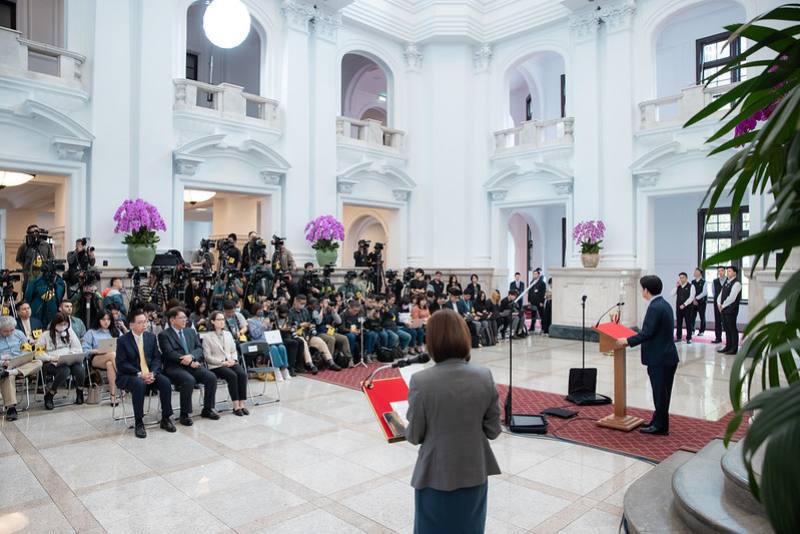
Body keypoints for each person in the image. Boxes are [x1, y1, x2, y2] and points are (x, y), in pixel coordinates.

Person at [405, 309, 501, 533]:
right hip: (474, 471)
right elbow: (493, 430)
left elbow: (415, 435)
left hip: (435, 474)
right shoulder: (484, 376)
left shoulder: (421, 381)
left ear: (432, 341)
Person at [615, 275, 679, 435]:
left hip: (660, 358)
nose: (641, 291)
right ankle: (659, 422)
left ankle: (660, 426)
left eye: (642, 288)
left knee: (660, 393)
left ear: (646, 290)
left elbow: (647, 333)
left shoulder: (654, 307)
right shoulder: (664, 304)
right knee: (663, 394)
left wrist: (627, 341)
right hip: (667, 356)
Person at [115, 308, 177, 439]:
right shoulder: (123, 341)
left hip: (149, 373)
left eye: (146, 322)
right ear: (131, 324)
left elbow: (156, 358)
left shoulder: (151, 337)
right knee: (139, 384)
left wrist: (152, 373)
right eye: (140, 322)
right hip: (130, 375)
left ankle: (166, 418)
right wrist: (139, 374)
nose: (144, 325)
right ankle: (139, 422)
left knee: (165, 382)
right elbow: (122, 364)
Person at [158, 307, 220, 425]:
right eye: (181, 318)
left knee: (211, 377)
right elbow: (169, 353)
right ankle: (185, 414)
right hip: (174, 367)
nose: (184, 320)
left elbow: (199, 349)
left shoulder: (190, 331)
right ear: (172, 320)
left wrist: (191, 357)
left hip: (192, 364)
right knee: (188, 380)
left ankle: (208, 409)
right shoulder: (164, 335)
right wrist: (188, 360)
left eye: (185, 318)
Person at [35, 312, 86, 410]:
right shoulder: (45, 335)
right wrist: (50, 358)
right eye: (60, 324)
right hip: (51, 362)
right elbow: (38, 353)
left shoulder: (70, 332)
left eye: (65, 324)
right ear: (54, 324)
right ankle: (50, 394)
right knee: (64, 371)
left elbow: (78, 348)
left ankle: (80, 391)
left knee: (80, 369)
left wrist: (71, 353)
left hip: (68, 359)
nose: (63, 327)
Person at [203, 311, 250, 416]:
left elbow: (233, 350)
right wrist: (222, 362)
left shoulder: (228, 334)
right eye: (219, 320)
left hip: (230, 361)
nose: (222, 322)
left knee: (242, 374)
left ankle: (242, 404)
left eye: (223, 319)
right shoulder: (207, 337)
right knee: (232, 376)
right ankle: (235, 406)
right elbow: (207, 357)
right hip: (217, 365)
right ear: (212, 321)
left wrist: (234, 360)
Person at [0, 316, 43, 421]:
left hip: (21, 363)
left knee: (38, 362)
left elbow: (27, 349)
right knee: (8, 377)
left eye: (12, 330)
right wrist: (3, 362)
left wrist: (25, 356)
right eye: (6, 331)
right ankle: (11, 408)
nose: (10, 333)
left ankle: (12, 372)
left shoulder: (19, 333)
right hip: (4, 366)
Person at [82, 311, 121, 406]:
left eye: (108, 319)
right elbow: (84, 350)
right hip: (96, 358)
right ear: (98, 320)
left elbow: (124, 345)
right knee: (112, 354)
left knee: (110, 364)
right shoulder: (91, 332)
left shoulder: (116, 331)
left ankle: (113, 395)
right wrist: (98, 350)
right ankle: (122, 377)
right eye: (103, 319)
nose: (106, 322)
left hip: (112, 358)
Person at [16, 224, 54, 292]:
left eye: (37, 232)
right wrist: (26, 267)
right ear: (28, 234)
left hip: (43, 278)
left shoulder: (45, 245)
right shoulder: (24, 247)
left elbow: (51, 258)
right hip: (29, 278)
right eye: (32, 232)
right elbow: (19, 259)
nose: (35, 234)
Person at [717, 266, 742, 355]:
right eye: (727, 271)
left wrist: (722, 305)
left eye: (730, 271)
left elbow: (732, 298)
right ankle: (728, 346)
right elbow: (720, 295)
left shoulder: (737, 284)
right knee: (726, 328)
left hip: (731, 310)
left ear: (735, 273)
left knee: (732, 329)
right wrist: (719, 304)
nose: (728, 273)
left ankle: (734, 348)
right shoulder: (726, 282)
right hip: (723, 309)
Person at [671, 272, 696, 344]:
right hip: (678, 308)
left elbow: (691, 297)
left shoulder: (691, 286)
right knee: (679, 322)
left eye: (683, 277)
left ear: (686, 278)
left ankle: (689, 338)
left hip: (687, 308)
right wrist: (676, 286)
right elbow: (671, 294)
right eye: (680, 277)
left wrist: (684, 304)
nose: (681, 279)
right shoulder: (678, 287)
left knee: (688, 322)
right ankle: (679, 337)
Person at [527, 268, 546, 334]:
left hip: (539, 302)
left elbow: (543, 293)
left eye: (535, 274)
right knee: (533, 315)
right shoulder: (532, 282)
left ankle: (543, 328)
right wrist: (529, 300)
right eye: (533, 274)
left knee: (541, 315)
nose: (534, 275)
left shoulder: (542, 283)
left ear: (538, 275)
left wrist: (542, 302)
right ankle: (532, 327)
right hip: (533, 301)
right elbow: (529, 292)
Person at [711, 266, 727, 344]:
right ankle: (718, 338)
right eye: (719, 271)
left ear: (725, 271)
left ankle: (728, 339)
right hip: (716, 304)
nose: (720, 272)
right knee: (717, 321)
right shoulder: (714, 281)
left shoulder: (728, 280)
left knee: (726, 321)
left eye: (722, 271)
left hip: (726, 304)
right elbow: (714, 293)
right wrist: (718, 302)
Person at [690, 268, 707, 336]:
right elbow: (691, 292)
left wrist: (696, 298)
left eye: (696, 271)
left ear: (700, 273)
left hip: (702, 301)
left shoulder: (704, 281)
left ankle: (702, 331)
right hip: (693, 301)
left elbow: (704, 293)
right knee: (692, 316)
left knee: (702, 316)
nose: (694, 272)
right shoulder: (693, 282)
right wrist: (693, 300)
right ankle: (692, 330)